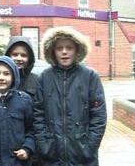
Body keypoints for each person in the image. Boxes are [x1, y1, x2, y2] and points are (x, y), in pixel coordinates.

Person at [34, 26, 107, 166]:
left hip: (83, 155)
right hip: (51, 154)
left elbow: (99, 116)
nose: (64, 52)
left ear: (77, 50)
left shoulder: (90, 77)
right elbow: (38, 114)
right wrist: (44, 144)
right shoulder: (44, 77)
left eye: (69, 47)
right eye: (59, 48)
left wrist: (89, 147)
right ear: (52, 51)